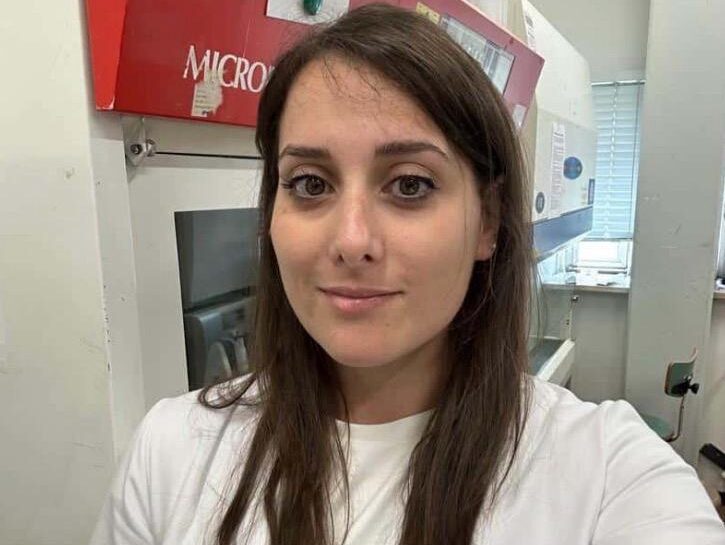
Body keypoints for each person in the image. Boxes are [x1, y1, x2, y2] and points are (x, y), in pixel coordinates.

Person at [90, 4, 725, 545]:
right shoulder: (172, 452)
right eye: (310, 183)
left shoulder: (610, 475)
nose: (351, 241)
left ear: (487, 221)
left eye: (411, 185)